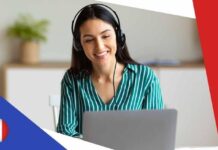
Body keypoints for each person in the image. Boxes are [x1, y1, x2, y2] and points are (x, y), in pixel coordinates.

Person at [57, 3, 164, 137]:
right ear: (79, 45)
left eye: (106, 36)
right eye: (89, 40)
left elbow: (154, 133)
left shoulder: (145, 77)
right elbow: (65, 133)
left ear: (119, 37)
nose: (99, 46)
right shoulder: (72, 80)